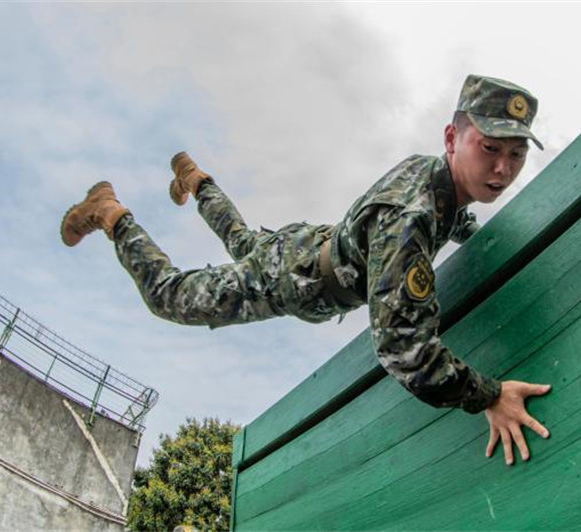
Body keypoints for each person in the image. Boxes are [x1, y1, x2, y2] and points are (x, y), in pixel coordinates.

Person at [60, 75, 551, 465]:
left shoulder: (437, 179)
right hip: (291, 279)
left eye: (516, 154)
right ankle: (112, 215)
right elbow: (405, 351)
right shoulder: (409, 220)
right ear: (452, 137)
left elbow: (452, 217)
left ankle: (196, 180)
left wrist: (472, 231)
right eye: (489, 148)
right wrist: (488, 395)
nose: (503, 169)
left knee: (242, 241)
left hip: (305, 247)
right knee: (169, 298)